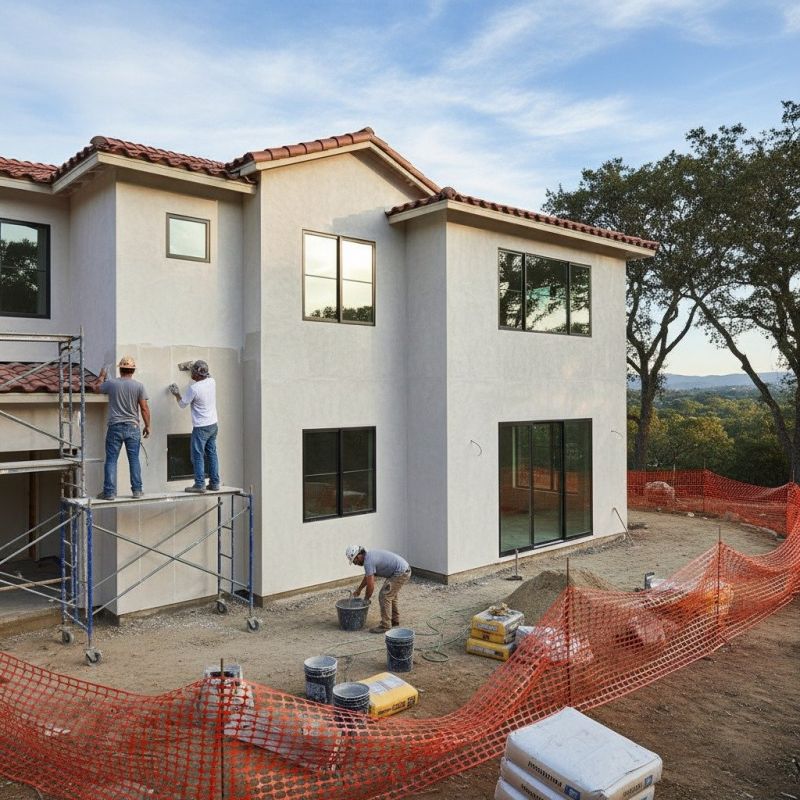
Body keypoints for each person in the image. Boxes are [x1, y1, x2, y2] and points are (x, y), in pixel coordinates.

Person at [96, 355, 150, 500]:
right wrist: (147, 426)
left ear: (120, 370)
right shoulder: (139, 386)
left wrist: (101, 376)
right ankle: (137, 491)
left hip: (115, 426)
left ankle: (109, 493)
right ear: (132, 371)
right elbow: (144, 408)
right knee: (134, 460)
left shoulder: (112, 384)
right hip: (133, 427)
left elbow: (96, 388)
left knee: (111, 460)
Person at [168, 360, 220, 493]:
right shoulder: (212, 381)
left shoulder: (194, 389)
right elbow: (208, 374)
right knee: (212, 454)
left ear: (197, 374)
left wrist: (176, 393)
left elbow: (182, 404)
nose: (191, 373)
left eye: (193, 372)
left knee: (197, 455)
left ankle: (199, 484)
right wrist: (194, 366)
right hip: (213, 425)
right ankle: (214, 483)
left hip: (201, 427)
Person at [346, 545, 412, 633]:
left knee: (384, 595)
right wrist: (359, 590)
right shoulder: (369, 557)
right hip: (402, 570)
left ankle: (385, 625)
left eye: (355, 561)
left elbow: (371, 585)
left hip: (401, 572)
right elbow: (367, 577)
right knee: (391, 594)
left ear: (358, 556)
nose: (356, 564)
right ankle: (394, 620)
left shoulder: (368, 561)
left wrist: (366, 599)